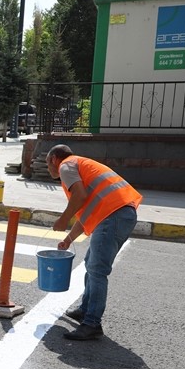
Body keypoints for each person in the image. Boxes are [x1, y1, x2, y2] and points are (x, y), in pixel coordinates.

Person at [47, 144, 142, 340]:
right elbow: (86, 212)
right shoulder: (81, 166)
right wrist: (68, 239)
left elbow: (79, 196)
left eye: (47, 164)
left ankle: (92, 323)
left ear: (54, 159)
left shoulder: (66, 166)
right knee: (91, 264)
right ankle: (85, 309)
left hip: (113, 215)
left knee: (97, 270)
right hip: (118, 214)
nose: (48, 169)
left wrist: (63, 219)